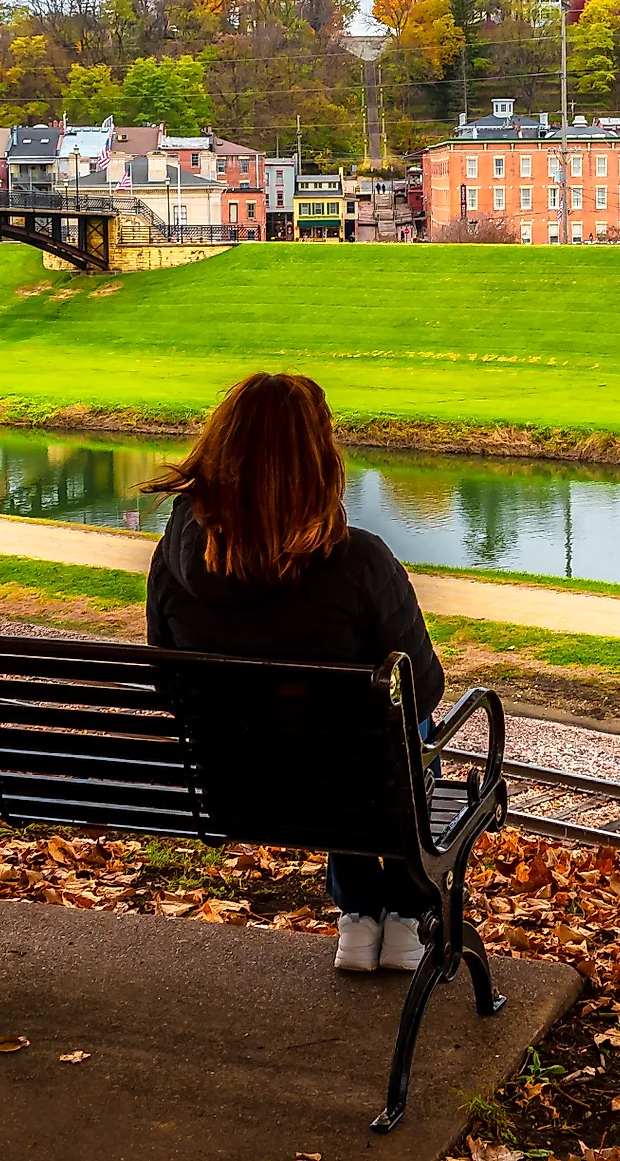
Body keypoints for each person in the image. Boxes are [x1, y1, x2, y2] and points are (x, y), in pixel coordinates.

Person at [141, 371, 446, 974]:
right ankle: (407, 917)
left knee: (335, 737)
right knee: (390, 732)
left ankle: (359, 916)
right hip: (356, 785)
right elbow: (423, 691)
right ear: (319, 460)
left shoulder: (176, 554)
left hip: (236, 789)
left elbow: (167, 681)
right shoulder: (359, 560)